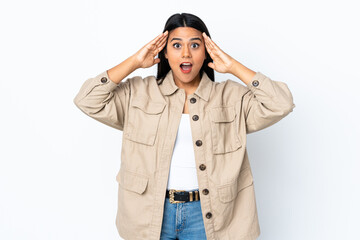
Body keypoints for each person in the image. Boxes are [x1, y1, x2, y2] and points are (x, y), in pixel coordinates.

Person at [73, 12, 295, 240]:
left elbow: (282, 103)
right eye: (176, 45)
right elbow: (87, 100)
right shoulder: (138, 93)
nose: (186, 53)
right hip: (149, 215)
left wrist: (232, 66)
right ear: (165, 52)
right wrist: (134, 62)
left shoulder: (231, 97)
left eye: (195, 45)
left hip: (210, 217)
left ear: (207, 51)